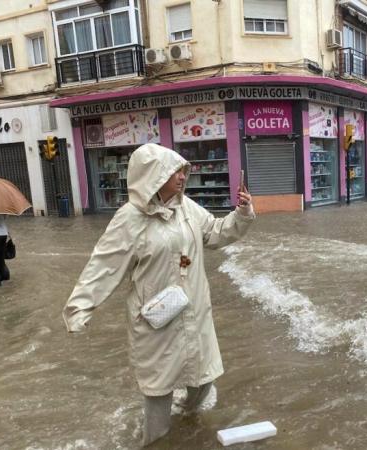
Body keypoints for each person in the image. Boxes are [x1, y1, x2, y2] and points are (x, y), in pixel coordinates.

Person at [62, 144, 255, 447]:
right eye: (175, 171)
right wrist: (80, 308)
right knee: (158, 390)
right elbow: (103, 265)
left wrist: (241, 214)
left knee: (203, 378)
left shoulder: (187, 208)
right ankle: (155, 442)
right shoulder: (130, 219)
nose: (182, 176)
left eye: (182, 171)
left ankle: (187, 420)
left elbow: (215, 233)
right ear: (154, 176)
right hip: (156, 319)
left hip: (194, 311)